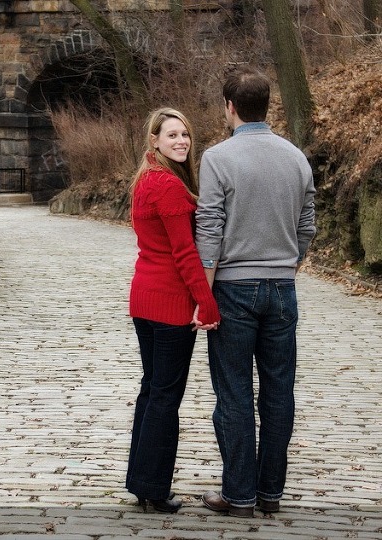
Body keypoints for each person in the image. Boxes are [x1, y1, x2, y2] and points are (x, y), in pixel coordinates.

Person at [195, 66, 316, 517]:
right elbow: (307, 226)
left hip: (232, 289)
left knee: (234, 393)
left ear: (229, 107)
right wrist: (287, 263)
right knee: (279, 392)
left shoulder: (218, 158)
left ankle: (239, 495)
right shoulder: (296, 157)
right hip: (283, 288)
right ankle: (270, 494)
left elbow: (209, 232)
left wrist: (203, 296)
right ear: (268, 105)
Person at [126, 107, 221, 514]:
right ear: (154, 141)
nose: (181, 141)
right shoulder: (166, 186)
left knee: (152, 390)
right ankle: (153, 488)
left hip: (144, 300)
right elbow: (185, 254)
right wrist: (207, 301)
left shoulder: (146, 180)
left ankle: (141, 481)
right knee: (164, 396)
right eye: (171, 135)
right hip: (167, 305)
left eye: (185, 134)